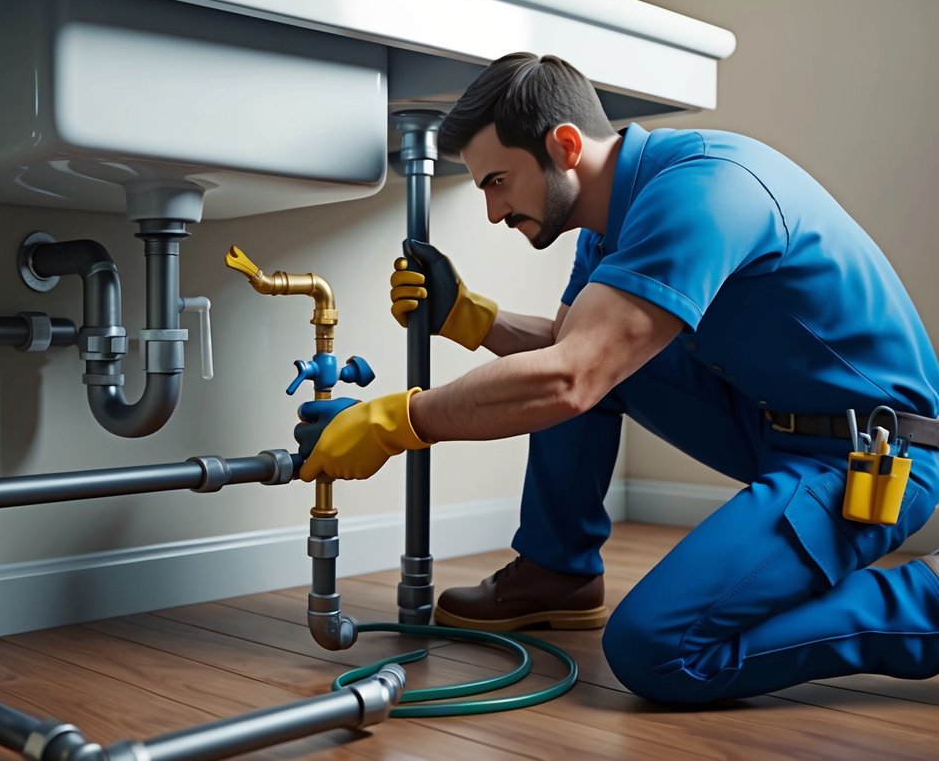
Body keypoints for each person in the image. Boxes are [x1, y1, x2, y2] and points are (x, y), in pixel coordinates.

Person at [294, 52, 939, 704]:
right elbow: (579, 348)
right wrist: (470, 317)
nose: (491, 210)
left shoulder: (702, 190)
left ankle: (928, 603)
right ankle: (556, 572)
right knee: (591, 366)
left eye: (496, 181)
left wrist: (393, 423)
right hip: (773, 424)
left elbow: (569, 378)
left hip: (875, 457)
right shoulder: (609, 222)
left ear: (563, 146)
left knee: (658, 651)